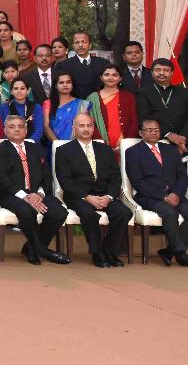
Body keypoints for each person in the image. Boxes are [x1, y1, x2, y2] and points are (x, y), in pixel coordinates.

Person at [0, 115, 70, 265]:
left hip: (37, 193)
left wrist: (39, 193)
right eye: (12, 127)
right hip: (11, 194)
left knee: (59, 212)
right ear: (5, 130)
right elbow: (0, 179)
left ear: (26, 130)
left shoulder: (36, 149)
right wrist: (24, 196)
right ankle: (43, 251)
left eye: (21, 126)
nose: (17, 130)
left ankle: (31, 248)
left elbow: (47, 175)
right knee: (27, 211)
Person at [54, 113, 131, 267]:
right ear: (74, 128)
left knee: (124, 212)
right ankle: (97, 253)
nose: (86, 129)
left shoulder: (105, 150)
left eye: (89, 125)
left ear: (93, 127)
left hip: (104, 195)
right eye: (81, 126)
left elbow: (116, 178)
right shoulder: (64, 151)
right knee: (89, 214)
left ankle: (109, 251)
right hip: (78, 196)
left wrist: (109, 197)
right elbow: (65, 181)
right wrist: (87, 197)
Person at [124, 118, 188, 266]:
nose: (153, 133)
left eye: (156, 130)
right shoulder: (133, 152)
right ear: (141, 133)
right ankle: (180, 253)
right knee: (170, 213)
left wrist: (177, 194)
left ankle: (168, 251)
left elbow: (182, 176)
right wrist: (162, 196)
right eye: (149, 130)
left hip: (175, 195)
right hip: (150, 197)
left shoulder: (170, 150)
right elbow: (137, 181)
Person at [136, 59, 188, 154]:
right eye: (157, 70)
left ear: (172, 73)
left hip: (183, 142)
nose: (161, 73)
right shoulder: (143, 92)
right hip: (156, 140)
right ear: (152, 73)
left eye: (166, 70)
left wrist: (182, 138)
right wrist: (168, 134)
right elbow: (145, 116)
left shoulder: (184, 92)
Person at [86, 65, 137, 148]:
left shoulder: (128, 97)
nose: (110, 78)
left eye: (115, 75)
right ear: (101, 78)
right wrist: (100, 142)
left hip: (125, 143)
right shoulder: (92, 98)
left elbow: (134, 121)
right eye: (107, 75)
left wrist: (125, 141)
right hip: (100, 144)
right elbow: (89, 123)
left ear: (120, 78)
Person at [52, 32, 106, 98]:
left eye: (84, 42)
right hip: (74, 103)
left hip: (99, 102)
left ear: (90, 45)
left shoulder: (103, 63)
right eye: (77, 42)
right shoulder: (63, 66)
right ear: (73, 46)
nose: (80, 45)